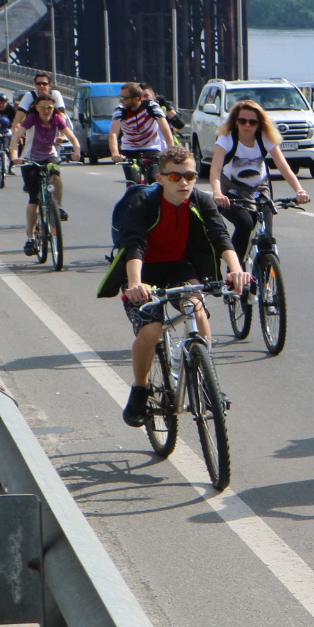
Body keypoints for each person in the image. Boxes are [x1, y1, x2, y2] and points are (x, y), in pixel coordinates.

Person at [97, 146, 248, 427]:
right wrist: (135, 284)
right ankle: (140, 388)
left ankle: (207, 382)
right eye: (176, 177)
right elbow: (134, 245)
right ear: (161, 178)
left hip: (180, 266)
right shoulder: (142, 201)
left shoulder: (200, 200)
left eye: (190, 176)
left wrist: (236, 269)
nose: (184, 183)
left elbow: (220, 235)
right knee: (151, 330)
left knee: (196, 309)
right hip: (143, 271)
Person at [209, 99, 310, 257]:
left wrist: (299, 190)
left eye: (253, 122)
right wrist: (217, 193)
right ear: (235, 122)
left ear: (259, 124)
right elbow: (215, 170)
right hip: (232, 192)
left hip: (260, 190)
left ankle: (267, 267)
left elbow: (283, 167)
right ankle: (235, 268)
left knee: (267, 237)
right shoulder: (226, 138)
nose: (247, 125)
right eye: (242, 121)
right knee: (245, 224)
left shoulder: (265, 138)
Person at [10, 95, 81, 256]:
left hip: (49, 156)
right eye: (42, 107)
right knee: (34, 199)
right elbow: (15, 138)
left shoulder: (56, 119)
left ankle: (58, 207)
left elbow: (72, 137)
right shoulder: (32, 119)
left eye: (49, 107)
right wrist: (15, 156)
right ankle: (30, 237)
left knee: (56, 175)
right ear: (36, 107)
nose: (46, 110)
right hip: (30, 158)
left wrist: (76, 151)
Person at [108, 82, 174, 186]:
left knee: (154, 180)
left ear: (137, 99)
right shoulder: (120, 110)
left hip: (151, 148)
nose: (121, 100)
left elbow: (165, 129)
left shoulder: (151, 107)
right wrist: (115, 153)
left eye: (124, 98)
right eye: (120, 97)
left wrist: (171, 150)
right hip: (129, 149)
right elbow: (113, 134)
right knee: (132, 183)